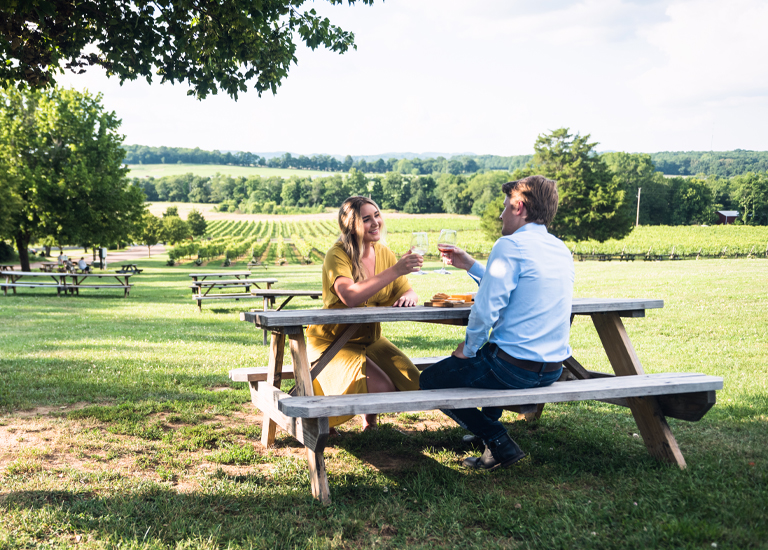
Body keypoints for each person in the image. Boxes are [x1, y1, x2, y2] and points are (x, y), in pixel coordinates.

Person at [419, 175, 574, 471]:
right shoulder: (560, 249)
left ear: (519, 206)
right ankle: (487, 437)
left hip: (514, 371)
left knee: (431, 380)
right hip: (552, 369)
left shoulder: (509, 245)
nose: (501, 214)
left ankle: (497, 439)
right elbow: (517, 285)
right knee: (493, 355)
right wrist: (471, 265)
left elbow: (486, 308)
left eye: (504, 207)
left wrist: (468, 348)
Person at [306, 196, 423, 431]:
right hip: (334, 342)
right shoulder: (337, 254)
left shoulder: (384, 253)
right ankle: (327, 420)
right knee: (383, 388)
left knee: (415, 383)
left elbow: (405, 288)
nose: (375, 223)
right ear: (352, 226)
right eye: (366, 219)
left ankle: (370, 425)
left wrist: (409, 296)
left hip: (370, 339)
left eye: (377, 215)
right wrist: (396, 269)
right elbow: (350, 296)